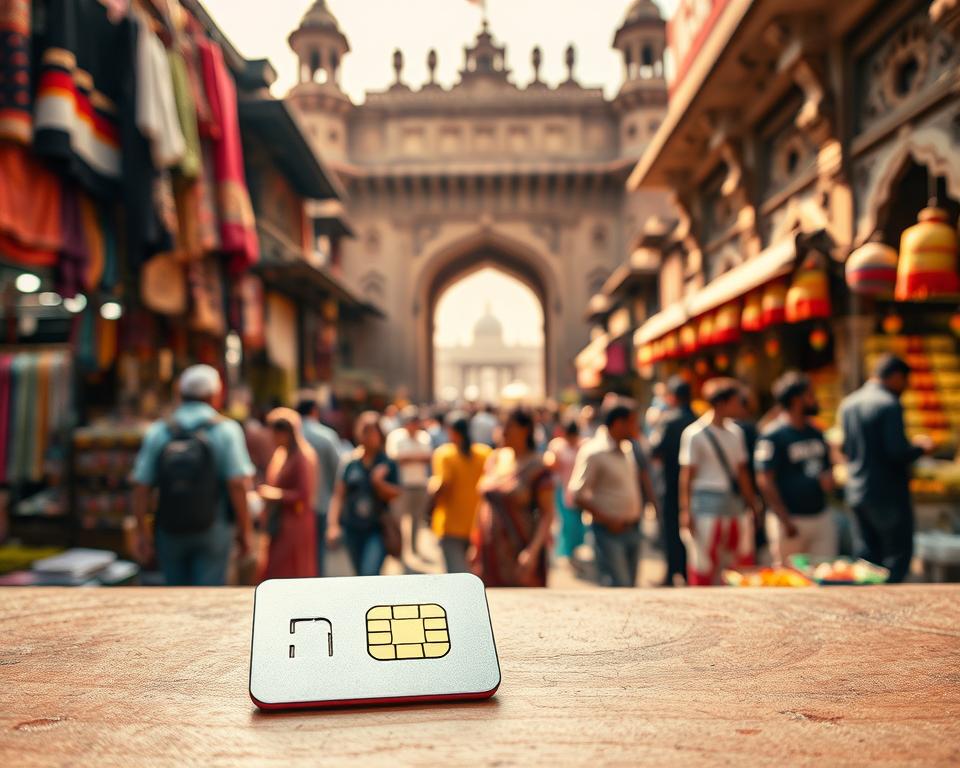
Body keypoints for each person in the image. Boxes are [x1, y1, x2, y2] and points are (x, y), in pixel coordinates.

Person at [132, 365, 254, 586]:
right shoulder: (226, 430)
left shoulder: (159, 430)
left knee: (176, 592)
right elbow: (237, 484)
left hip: (169, 528)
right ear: (215, 395)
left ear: (181, 394)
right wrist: (245, 531)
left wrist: (142, 533)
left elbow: (141, 486)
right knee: (208, 595)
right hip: (214, 528)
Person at [839, 354, 933, 583]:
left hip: (857, 492)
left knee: (867, 560)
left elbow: (845, 448)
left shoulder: (848, 403)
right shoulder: (889, 404)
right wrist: (921, 448)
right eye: (905, 381)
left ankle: (866, 603)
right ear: (897, 376)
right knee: (895, 560)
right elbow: (896, 452)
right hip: (887, 495)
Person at [679, 378, 763, 586]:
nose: (740, 405)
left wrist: (752, 503)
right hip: (706, 509)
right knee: (704, 565)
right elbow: (687, 475)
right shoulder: (694, 434)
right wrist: (686, 510)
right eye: (735, 401)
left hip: (734, 507)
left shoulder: (736, 432)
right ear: (721, 403)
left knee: (736, 567)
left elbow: (742, 473)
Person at [569, 402, 656, 587]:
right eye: (632, 422)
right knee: (619, 585)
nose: (636, 427)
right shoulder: (594, 452)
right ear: (618, 424)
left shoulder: (628, 448)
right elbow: (577, 495)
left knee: (629, 586)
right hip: (608, 532)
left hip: (633, 527)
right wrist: (607, 520)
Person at [755, 372, 837, 567]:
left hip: (820, 516)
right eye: (810, 394)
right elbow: (764, 479)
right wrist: (784, 519)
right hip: (790, 521)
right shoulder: (773, 435)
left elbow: (827, 468)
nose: (814, 399)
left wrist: (830, 479)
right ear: (796, 400)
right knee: (790, 578)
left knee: (825, 574)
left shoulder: (816, 432)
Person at [472, 407, 554, 587]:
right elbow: (483, 504)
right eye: (502, 426)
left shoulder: (538, 466)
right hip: (490, 551)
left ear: (525, 430)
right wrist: (475, 543)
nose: (503, 431)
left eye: (509, 426)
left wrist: (532, 552)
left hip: (520, 551)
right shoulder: (495, 458)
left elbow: (547, 513)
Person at [327, 412, 402, 577]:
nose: (368, 437)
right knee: (359, 574)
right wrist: (333, 525)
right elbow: (339, 495)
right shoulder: (350, 462)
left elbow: (396, 494)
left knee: (370, 572)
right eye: (365, 432)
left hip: (376, 529)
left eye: (372, 432)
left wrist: (379, 483)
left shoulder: (387, 463)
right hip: (352, 528)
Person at [259, 408, 318, 580]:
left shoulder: (301, 457)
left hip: (294, 523)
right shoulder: (281, 454)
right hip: (280, 521)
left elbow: (304, 494)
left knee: (291, 570)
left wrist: (274, 495)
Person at [428, 412, 491, 573]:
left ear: (451, 431)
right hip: (478, 523)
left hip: (450, 524)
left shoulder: (445, 455)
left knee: (456, 576)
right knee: (475, 574)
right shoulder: (484, 453)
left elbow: (443, 485)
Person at [649, 376, 697, 586]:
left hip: (670, 484)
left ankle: (671, 573)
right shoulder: (697, 420)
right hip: (694, 487)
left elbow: (654, 450)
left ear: (672, 397)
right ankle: (687, 572)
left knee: (670, 530)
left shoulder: (668, 420)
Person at [296, 398, 342, 577]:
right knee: (318, 553)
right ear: (314, 410)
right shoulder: (326, 436)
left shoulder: (292, 434)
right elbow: (338, 471)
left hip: (296, 506)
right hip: (321, 502)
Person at [385, 406, 433, 557]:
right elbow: (395, 459)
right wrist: (417, 457)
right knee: (399, 518)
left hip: (420, 483)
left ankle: (414, 547)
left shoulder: (424, 437)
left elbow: (429, 457)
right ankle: (400, 548)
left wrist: (408, 457)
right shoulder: (395, 437)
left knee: (417, 517)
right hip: (401, 485)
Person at [545, 420, 585, 560]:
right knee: (567, 523)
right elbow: (550, 464)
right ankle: (567, 551)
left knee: (577, 523)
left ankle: (573, 549)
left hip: (579, 491)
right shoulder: (557, 446)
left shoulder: (583, 445)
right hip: (562, 489)